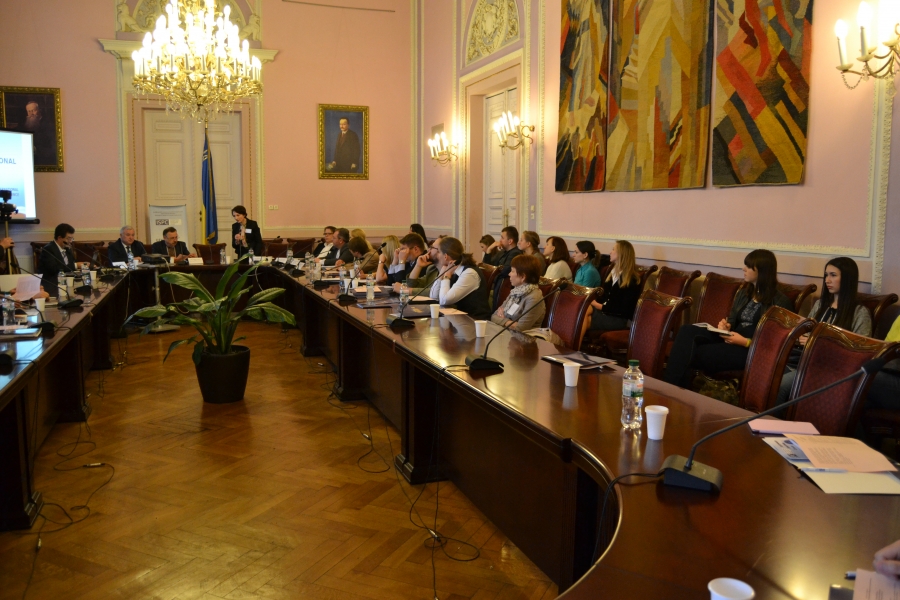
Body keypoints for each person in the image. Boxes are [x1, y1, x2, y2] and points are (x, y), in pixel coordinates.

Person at [664, 249, 794, 388]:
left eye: (749, 266)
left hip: (749, 350)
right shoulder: (744, 293)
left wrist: (745, 342)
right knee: (687, 330)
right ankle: (674, 389)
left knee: (690, 352)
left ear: (762, 271)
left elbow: (775, 341)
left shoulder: (780, 302)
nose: (744, 269)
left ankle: (672, 389)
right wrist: (726, 327)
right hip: (730, 338)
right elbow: (732, 320)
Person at [775, 257, 872, 406]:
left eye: (833, 275)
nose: (827, 280)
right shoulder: (821, 305)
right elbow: (806, 331)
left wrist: (816, 343)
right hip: (802, 360)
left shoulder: (859, 312)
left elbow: (860, 354)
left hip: (828, 369)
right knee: (766, 378)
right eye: (826, 275)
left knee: (780, 387)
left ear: (847, 279)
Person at [428, 237, 491, 320]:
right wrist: (441, 275)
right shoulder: (451, 268)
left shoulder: (470, 273)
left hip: (475, 322)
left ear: (446, 256)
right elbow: (433, 297)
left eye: (439, 252)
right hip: (459, 320)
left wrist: (446, 277)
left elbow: (444, 300)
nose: (437, 255)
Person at [587, 240, 643, 333]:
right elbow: (604, 297)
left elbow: (623, 310)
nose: (610, 252)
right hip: (605, 313)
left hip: (617, 319)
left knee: (582, 315)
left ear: (621, 254)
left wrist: (597, 305)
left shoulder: (631, 280)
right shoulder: (612, 273)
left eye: (613, 249)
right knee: (583, 315)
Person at [491, 254, 546, 332]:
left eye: (512, 271)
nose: (509, 274)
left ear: (523, 277)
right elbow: (493, 316)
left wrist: (503, 319)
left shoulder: (534, 298)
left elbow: (520, 328)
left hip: (524, 340)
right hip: (507, 334)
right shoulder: (516, 291)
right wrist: (509, 322)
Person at [39, 223, 78, 297]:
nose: (71, 241)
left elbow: (69, 266)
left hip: (65, 284)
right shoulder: (48, 249)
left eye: (72, 238)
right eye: (69, 238)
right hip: (52, 286)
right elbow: (54, 269)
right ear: (59, 238)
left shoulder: (67, 248)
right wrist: (75, 265)